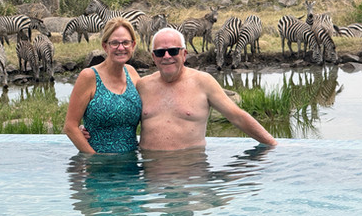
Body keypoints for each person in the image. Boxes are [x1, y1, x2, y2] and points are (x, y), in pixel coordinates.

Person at [137, 27, 277, 150]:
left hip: (191, 166)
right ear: (153, 57)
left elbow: (237, 117)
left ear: (184, 54)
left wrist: (273, 144)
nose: (167, 56)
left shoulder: (203, 82)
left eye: (173, 51)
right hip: (149, 167)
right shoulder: (143, 86)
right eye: (160, 53)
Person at [63, 17, 142, 154]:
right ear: (105, 46)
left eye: (125, 42)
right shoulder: (89, 77)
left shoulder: (132, 74)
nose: (121, 48)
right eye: (114, 43)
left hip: (131, 162)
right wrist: (94, 158)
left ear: (133, 45)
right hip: (98, 162)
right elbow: (70, 126)